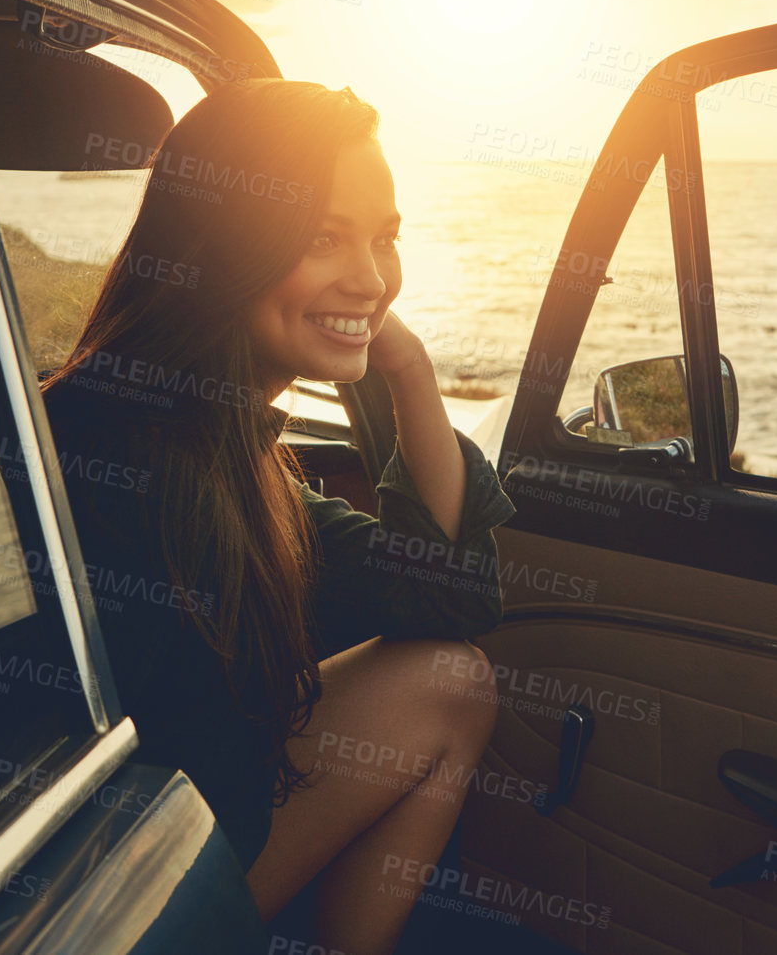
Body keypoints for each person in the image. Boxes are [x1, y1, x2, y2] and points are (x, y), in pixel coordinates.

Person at [39, 79, 516, 954]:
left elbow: (456, 598)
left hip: (166, 847)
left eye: (384, 239)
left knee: (454, 678)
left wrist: (406, 366)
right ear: (227, 243)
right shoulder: (129, 458)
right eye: (323, 237)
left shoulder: (218, 442)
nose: (371, 278)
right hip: (111, 901)